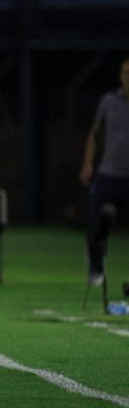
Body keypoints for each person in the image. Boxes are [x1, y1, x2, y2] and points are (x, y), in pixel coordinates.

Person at [79, 57, 129, 286]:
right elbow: (94, 133)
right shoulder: (109, 101)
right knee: (95, 223)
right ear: (120, 75)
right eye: (126, 72)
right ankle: (96, 269)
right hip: (109, 174)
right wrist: (88, 163)